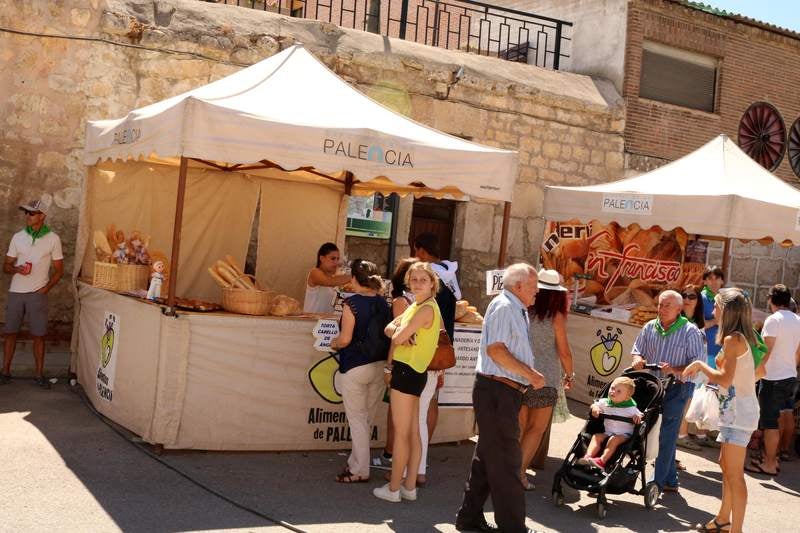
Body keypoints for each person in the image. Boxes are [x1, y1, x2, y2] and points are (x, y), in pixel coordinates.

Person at [455, 263, 545, 533]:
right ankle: (513, 528)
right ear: (518, 286)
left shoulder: (514, 307)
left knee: (487, 458)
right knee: (507, 461)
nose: (537, 291)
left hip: (500, 391)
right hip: (497, 391)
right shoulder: (506, 307)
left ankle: (469, 518)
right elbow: (496, 351)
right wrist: (530, 374)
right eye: (533, 286)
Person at [683, 288, 760, 533]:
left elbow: (724, 379)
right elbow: (755, 373)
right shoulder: (739, 337)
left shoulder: (733, 339)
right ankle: (723, 520)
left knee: (734, 474)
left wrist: (700, 365)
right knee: (726, 466)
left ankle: (735, 529)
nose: (713, 310)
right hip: (735, 412)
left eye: (716, 305)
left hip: (739, 414)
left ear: (726, 310)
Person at [373, 262, 441, 503]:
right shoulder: (417, 305)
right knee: (412, 432)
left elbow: (397, 335)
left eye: (423, 280)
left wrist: (401, 332)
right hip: (415, 372)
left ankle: (393, 489)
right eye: (414, 280)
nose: (418, 284)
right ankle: (409, 487)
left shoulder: (424, 308)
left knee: (402, 434)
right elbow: (389, 329)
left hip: (406, 371)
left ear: (432, 283)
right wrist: (401, 332)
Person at [631, 290, 705, 494]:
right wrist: (637, 359)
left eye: (667, 306)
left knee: (666, 433)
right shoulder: (650, 326)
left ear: (679, 309)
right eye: (660, 305)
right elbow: (637, 350)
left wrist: (674, 369)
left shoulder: (690, 331)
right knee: (661, 432)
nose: (661, 309)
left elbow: (698, 364)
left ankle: (657, 481)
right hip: (655, 386)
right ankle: (670, 479)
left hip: (679, 386)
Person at [329, 259, 390, 483]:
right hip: (379, 365)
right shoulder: (384, 303)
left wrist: (334, 342)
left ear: (354, 278)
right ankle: (356, 462)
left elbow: (345, 339)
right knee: (366, 419)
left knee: (357, 419)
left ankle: (360, 470)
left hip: (355, 365)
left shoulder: (351, 303)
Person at [518, 268, 574, 490]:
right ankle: (519, 474)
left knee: (520, 427)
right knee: (536, 429)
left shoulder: (521, 310)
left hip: (519, 374)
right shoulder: (555, 317)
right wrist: (570, 374)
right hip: (546, 379)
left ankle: (509, 471)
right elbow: (564, 352)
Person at [411, 233, 462, 470]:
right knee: (431, 400)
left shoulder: (426, 275)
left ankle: (415, 460)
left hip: (424, 344)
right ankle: (423, 453)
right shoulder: (449, 273)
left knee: (417, 406)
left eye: (416, 250)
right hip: (443, 344)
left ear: (421, 250)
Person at [2, 195, 63, 389]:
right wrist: (16, 269)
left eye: (32, 213)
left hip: (38, 293)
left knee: (38, 335)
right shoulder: (18, 237)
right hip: (16, 292)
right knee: (10, 333)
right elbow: (6, 266)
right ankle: (5, 372)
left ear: (42, 215)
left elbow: (59, 270)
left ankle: (38, 375)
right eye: (26, 213)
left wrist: (46, 288)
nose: (28, 216)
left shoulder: (53, 239)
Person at [747, 284, 800, 476]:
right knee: (779, 418)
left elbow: (766, 351)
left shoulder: (773, 320)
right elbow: (798, 352)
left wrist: (756, 373)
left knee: (769, 423)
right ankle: (772, 458)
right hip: (789, 376)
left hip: (772, 378)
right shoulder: (797, 320)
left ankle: (769, 463)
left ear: (770, 299)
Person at [374, 257, 416, 470]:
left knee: (396, 413)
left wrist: (388, 366)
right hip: (416, 362)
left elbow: (397, 337)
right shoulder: (424, 302)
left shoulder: (402, 301)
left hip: (403, 361)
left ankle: (391, 454)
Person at [578, 376, 642, 472]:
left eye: (618, 391)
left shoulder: (630, 408)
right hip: (608, 432)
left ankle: (602, 461)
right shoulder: (606, 402)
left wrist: (637, 417)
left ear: (627, 397)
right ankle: (588, 457)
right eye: (612, 388)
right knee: (596, 436)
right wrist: (595, 408)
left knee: (613, 439)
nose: (613, 391)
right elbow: (595, 404)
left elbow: (640, 415)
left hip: (624, 435)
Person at [677, 283, 710, 451]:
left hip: (696, 369)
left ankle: (686, 434)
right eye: (684, 295)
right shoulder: (677, 319)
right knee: (684, 402)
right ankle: (681, 436)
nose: (687, 299)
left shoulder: (698, 321)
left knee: (690, 401)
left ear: (698, 301)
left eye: (692, 296)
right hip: (681, 369)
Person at [303, 243, 351, 314]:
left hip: (327, 320)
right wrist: (354, 276)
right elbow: (330, 282)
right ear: (322, 258)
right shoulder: (315, 272)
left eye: (337, 259)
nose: (336, 262)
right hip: (312, 320)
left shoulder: (335, 277)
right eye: (333, 258)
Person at [701, 266, 725, 365]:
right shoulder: (701, 298)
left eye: (717, 278)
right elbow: (699, 325)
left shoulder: (725, 298)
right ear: (705, 282)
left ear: (722, 281)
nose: (714, 282)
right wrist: (716, 320)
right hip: (707, 351)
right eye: (710, 278)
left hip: (723, 351)